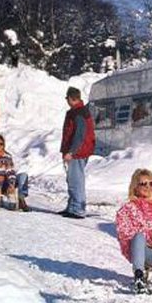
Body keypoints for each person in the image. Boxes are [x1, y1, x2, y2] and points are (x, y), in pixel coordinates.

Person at [60, 86, 95, 219]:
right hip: (78, 151)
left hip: (77, 152)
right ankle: (72, 206)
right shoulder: (78, 111)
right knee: (72, 179)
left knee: (76, 180)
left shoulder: (79, 112)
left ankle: (78, 209)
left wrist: (71, 152)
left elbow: (79, 135)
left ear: (70, 98)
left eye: (67, 98)